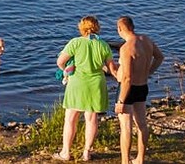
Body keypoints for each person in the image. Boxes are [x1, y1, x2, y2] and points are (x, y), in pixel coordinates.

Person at [54, 15, 117, 162]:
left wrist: (67, 70)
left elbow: (60, 61)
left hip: (77, 83)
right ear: (97, 28)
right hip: (96, 83)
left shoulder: (75, 43)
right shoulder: (103, 45)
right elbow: (110, 68)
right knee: (92, 118)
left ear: (82, 28)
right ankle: (86, 152)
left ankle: (66, 152)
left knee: (70, 119)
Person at [114, 16, 164, 164]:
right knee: (142, 124)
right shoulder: (147, 40)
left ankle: (125, 160)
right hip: (143, 86)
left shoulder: (126, 48)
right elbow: (160, 57)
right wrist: (148, 72)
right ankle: (140, 158)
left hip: (128, 89)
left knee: (126, 126)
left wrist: (121, 100)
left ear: (120, 29)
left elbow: (127, 78)